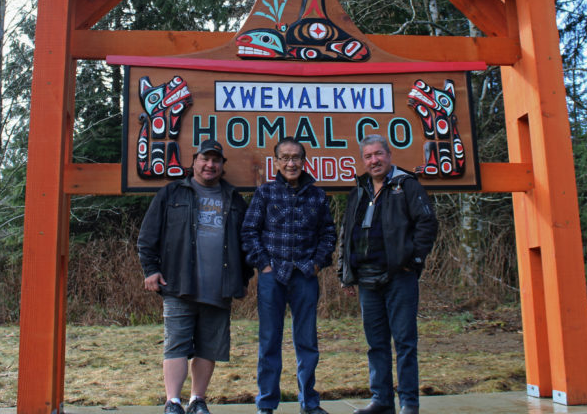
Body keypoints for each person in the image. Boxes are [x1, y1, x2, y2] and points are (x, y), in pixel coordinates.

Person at [138, 139, 252, 414]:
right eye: (205, 159)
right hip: (178, 283)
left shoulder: (234, 198)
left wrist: (244, 277)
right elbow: (147, 237)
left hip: (220, 287)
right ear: (194, 161)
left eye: (216, 160)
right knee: (175, 343)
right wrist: (151, 270)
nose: (210, 165)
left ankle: (197, 400)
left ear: (223, 166)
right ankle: (173, 401)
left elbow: (247, 242)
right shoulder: (171, 193)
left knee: (208, 347)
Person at [338, 134, 438, 414]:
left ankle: (408, 402)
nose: (374, 160)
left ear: (389, 155)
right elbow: (347, 234)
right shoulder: (358, 190)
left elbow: (427, 224)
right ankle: (381, 400)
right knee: (375, 344)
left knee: (405, 342)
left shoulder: (407, 185)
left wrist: (414, 260)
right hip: (367, 280)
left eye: (379, 154)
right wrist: (346, 274)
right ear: (363, 160)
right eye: (368, 156)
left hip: (399, 277)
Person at [241, 137, 337, 414]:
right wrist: (264, 264)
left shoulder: (317, 195)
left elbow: (328, 234)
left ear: (304, 161)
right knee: (269, 340)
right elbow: (249, 231)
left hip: (305, 275)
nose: (291, 163)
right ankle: (267, 403)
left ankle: (309, 402)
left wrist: (317, 264)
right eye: (285, 157)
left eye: (296, 157)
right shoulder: (265, 193)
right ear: (276, 162)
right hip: (273, 277)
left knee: (307, 341)